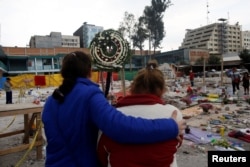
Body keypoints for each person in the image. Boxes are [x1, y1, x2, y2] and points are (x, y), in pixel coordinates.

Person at [42, 51, 186, 167]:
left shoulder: (50, 102)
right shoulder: (90, 95)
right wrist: (170, 126)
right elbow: (122, 128)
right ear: (90, 71)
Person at [97, 60, 183, 167]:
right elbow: (177, 144)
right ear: (162, 90)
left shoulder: (114, 116)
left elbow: (103, 152)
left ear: (133, 88)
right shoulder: (173, 114)